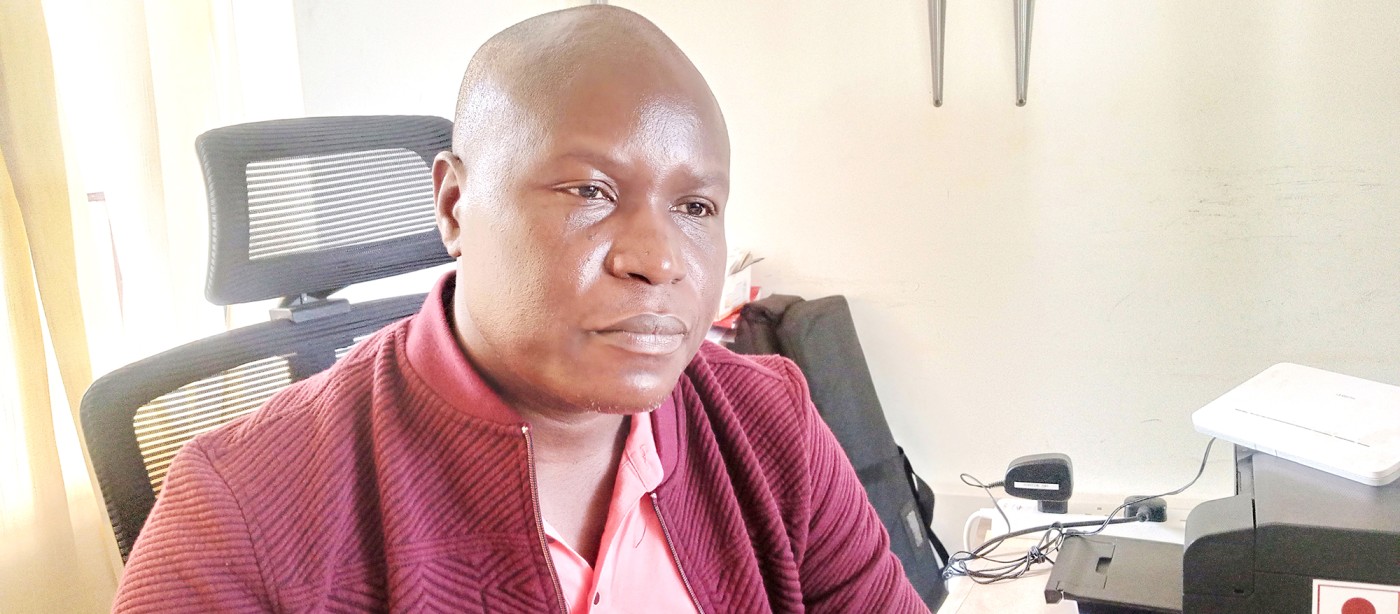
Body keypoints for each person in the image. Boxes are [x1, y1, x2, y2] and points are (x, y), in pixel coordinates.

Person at [112, 6, 925, 613]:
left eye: (697, 208)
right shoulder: (244, 509)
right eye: (589, 190)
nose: (660, 258)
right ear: (457, 204)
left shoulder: (767, 425)